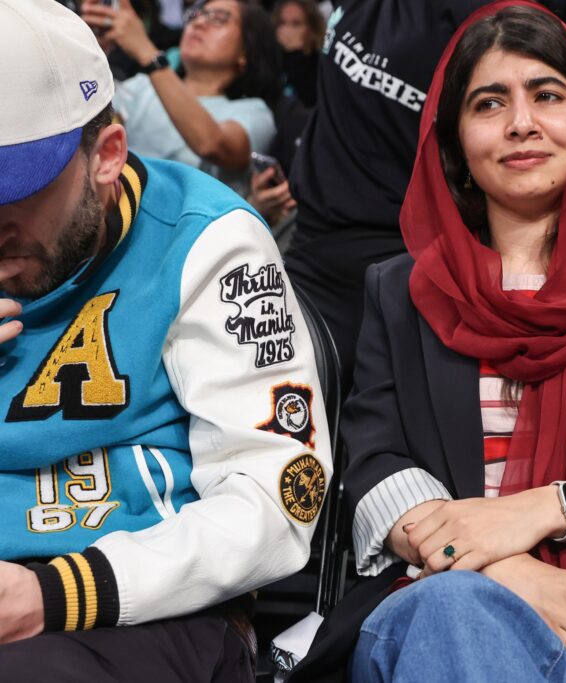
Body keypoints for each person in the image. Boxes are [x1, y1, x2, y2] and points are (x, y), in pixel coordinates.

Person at [288, 3, 566, 682]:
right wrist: (509, 568)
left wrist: (539, 512)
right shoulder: (403, 289)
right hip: (431, 604)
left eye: (547, 95)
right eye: (489, 103)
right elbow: (377, 472)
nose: (521, 123)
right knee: (454, 614)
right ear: (456, 143)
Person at [0, 1, 332, 679]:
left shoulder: (206, 242)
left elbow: (276, 497)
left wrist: (57, 593)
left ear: (106, 158)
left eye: (15, 190)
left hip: (141, 600)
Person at [284, 0, 493, 399]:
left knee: (379, 443)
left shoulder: (485, 22)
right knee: (289, 434)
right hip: (312, 255)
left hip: (406, 270)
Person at [80, 0, 281, 198]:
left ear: (245, 52)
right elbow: (87, 120)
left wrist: (147, 53)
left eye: (219, 19)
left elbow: (212, 144)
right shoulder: (143, 86)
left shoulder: (254, 111)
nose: (199, 22)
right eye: (195, 15)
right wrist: (91, 48)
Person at [274, 0, 325, 108]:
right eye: (282, 23)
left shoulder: (322, 62)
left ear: (311, 29)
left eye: (296, 24)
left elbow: (311, 100)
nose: (287, 30)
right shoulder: (272, 60)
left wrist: (296, 53)